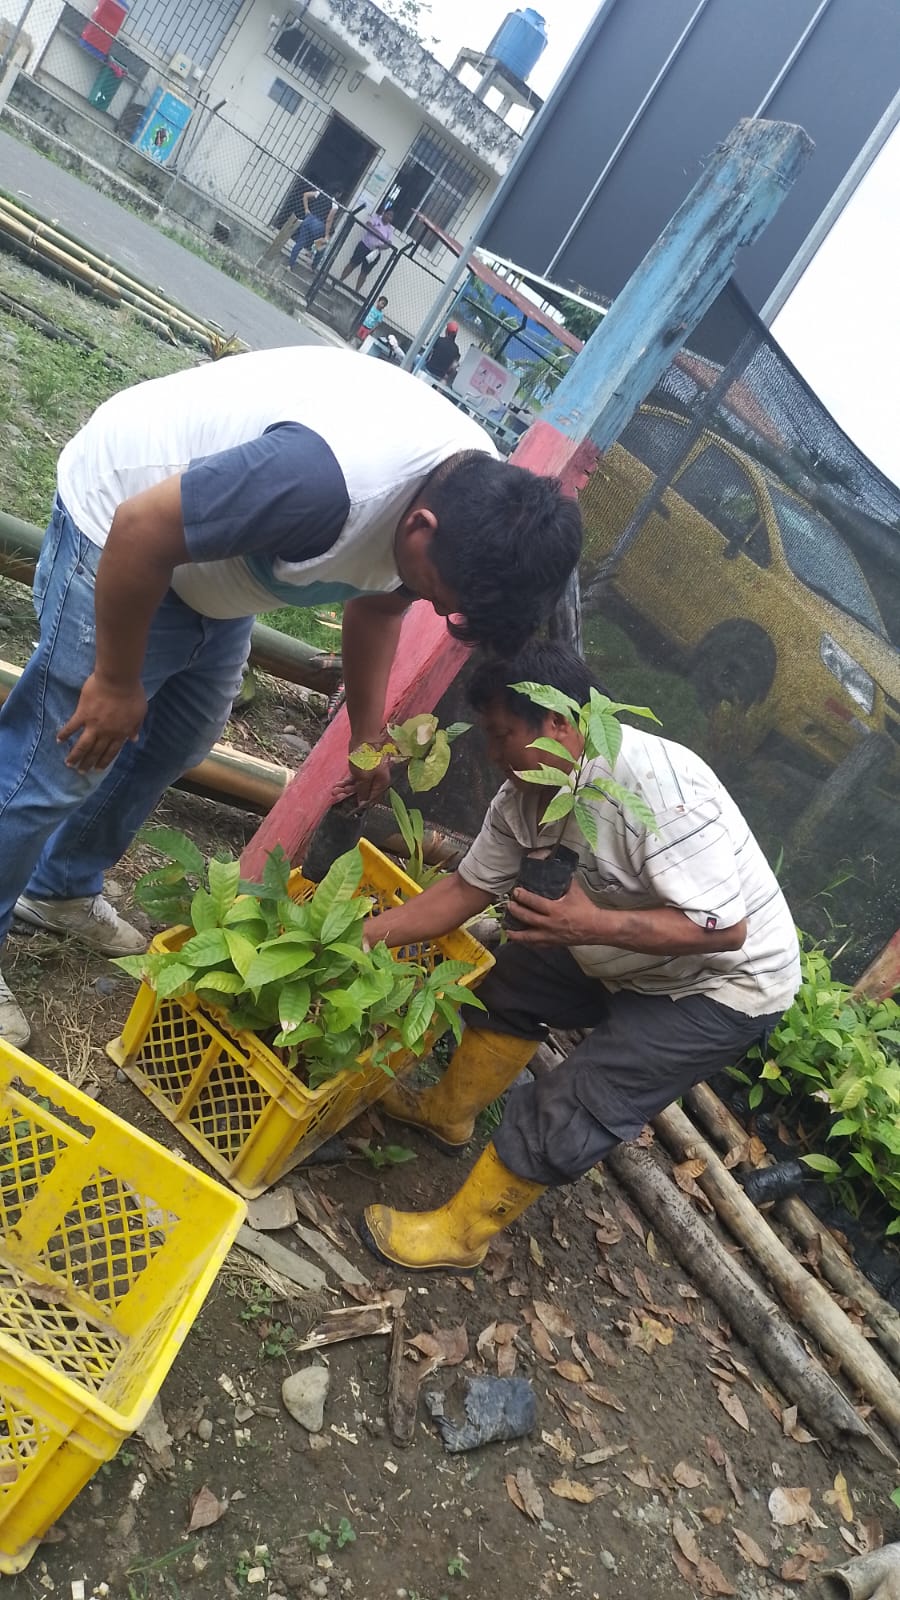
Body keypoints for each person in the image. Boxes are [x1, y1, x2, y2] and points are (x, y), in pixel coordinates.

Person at [0, 349, 583, 1047]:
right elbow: (141, 527)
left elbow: (381, 607)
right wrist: (117, 681)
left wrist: (367, 736)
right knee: (57, 762)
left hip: (215, 563)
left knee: (181, 736)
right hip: (122, 528)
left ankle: (59, 887)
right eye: (440, 594)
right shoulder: (325, 485)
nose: (433, 604)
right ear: (419, 528)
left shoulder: (474, 509)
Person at [359, 641, 801, 1273]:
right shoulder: (525, 798)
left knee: (584, 1094)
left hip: (722, 984)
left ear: (559, 724)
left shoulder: (657, 787)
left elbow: (725, 929)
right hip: (622, 938)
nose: (493, 754)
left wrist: (590, 924)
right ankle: (447, 1114)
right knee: (513, 979)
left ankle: (461, 1236)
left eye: (503, 735)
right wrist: (367, 935)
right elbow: (465, 889)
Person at [342, 205, 395, 293]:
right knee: (352, 264)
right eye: (388, 214)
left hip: (374, 253)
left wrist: (381, 246)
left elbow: (389, 243)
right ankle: (340, 281)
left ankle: (356, 292)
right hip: (364, 246)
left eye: (391, 216)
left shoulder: (389, 230)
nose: (388, 217)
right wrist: (379, 235)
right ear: (384, 213)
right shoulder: (376, 219)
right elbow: (368, 225)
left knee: (364, 272)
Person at [288, 187, 340, 268]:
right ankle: (313, 266)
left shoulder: (320, 193)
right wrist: (326, 235)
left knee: (300, 243)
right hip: (320, 225)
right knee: (321, 245)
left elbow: (305, 195)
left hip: (310, 219)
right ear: (337, 193)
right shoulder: (335, 205)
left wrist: (306, 209)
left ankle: (290, 264)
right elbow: (329, 220)